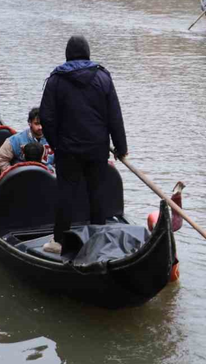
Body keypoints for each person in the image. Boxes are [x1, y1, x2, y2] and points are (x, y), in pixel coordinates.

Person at [39, 36, 128, 255]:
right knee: (97, 192)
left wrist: (56, 144)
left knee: (65, 194)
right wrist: (121, 147)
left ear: (67, 55)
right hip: (97, 148)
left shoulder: (56, 80)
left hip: (67, 150)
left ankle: (59, 241)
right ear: (88, 53)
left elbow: (46, 118)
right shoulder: (104, 78)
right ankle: (99, 239)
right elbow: (114, 116)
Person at [0, 107, 54, 172]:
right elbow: (1, 158)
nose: (40, 127)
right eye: (37, 124)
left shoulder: (56, 140)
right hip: (22, 176)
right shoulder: (15, 140)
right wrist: (12, 172)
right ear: (29, 123)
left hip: (48, 176)